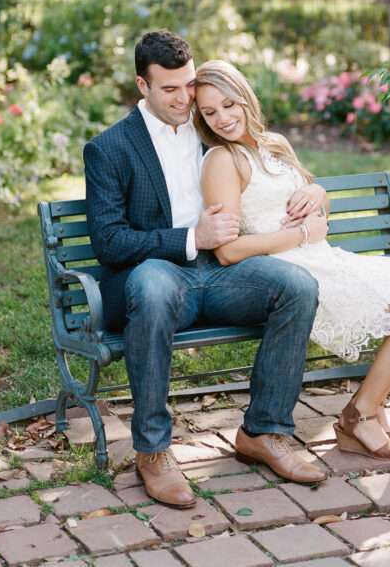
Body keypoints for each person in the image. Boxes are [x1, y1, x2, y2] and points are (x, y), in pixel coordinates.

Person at [84, 31, 328, 509]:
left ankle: (264, 431)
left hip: (218, 275)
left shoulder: (209, 130)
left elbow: (272, 165)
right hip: (154, 273)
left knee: (297, 287)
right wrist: (193, 238)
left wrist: (316, 192)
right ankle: (152, 451)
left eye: (189, 85)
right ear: (143, 86)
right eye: (169, 89)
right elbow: (109, 242)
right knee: (153, 288)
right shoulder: (110, 148)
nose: (184, 99)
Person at [194, 60, 390, 459]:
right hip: (291, 275)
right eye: (210, 112)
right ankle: (362, 415)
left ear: (245, 98)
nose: (223, 119)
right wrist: (300, 234)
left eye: (229, 105)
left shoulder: (273, 144)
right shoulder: (222, 160)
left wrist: (319, 196)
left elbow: (311, 195)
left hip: (325, 258)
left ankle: (365, 409)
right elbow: (227, 251)